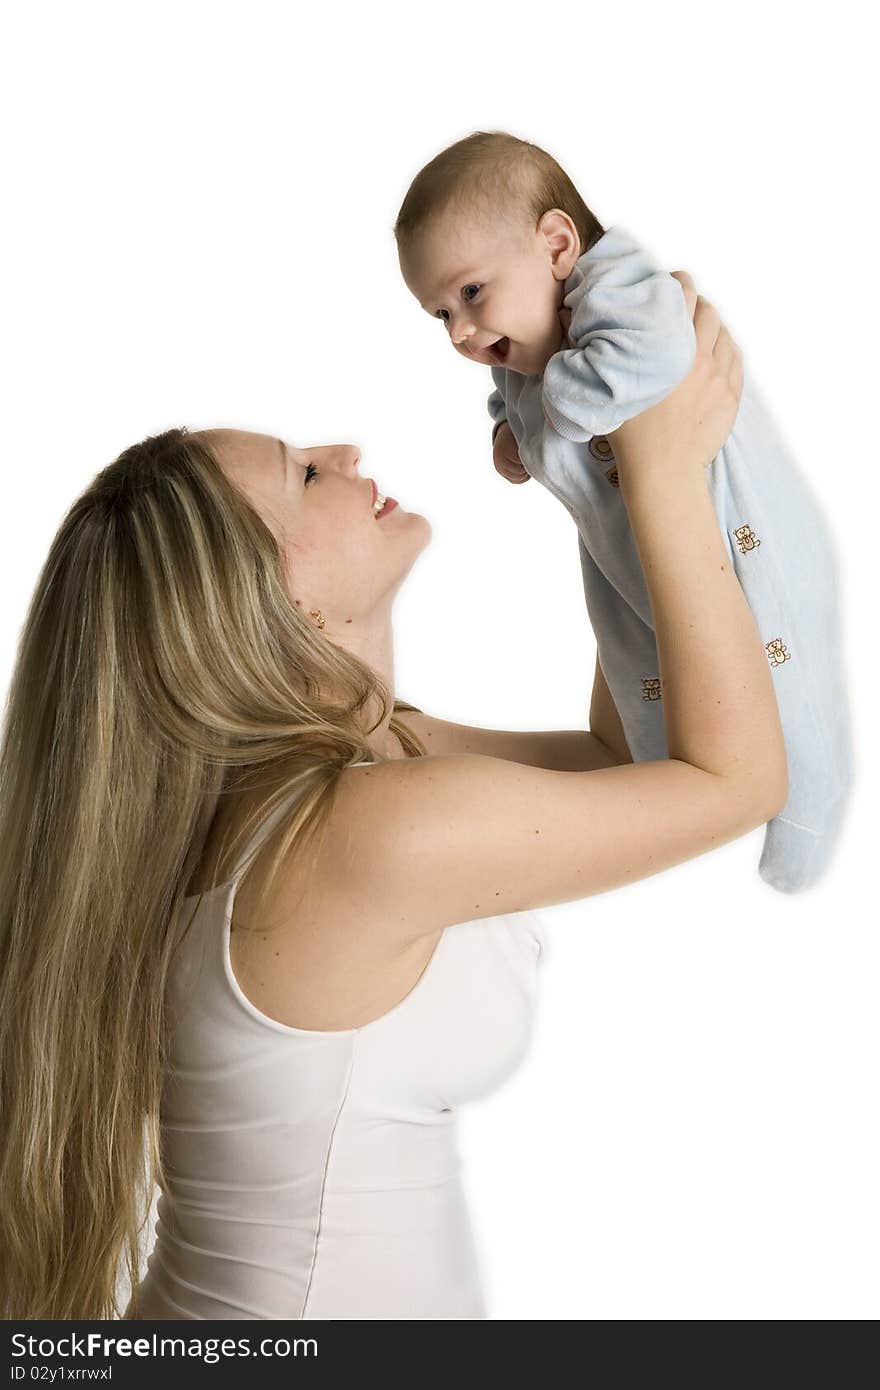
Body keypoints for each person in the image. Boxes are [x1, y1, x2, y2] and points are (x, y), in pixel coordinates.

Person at [0, 273, 786, 1320]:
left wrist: (603, 475)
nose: (345, 453)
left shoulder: (345, 775)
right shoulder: (363, 833)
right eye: (303, 474)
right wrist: (662, 471)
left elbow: (621, 753)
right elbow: (734, 781)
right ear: (281, 605)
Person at [395, 129, 852, 894]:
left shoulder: (621, 286)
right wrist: (508, 432)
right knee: (651, 677)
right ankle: (662, 780)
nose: (464, 333)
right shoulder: (526, 345)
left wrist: (540, 426)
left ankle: (809, 812)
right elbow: (513, 402)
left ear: (558, 244)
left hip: (738, 541)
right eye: (440, 315)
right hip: (629, 556)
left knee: (782, 677)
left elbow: (653, 358)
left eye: (471, 293)